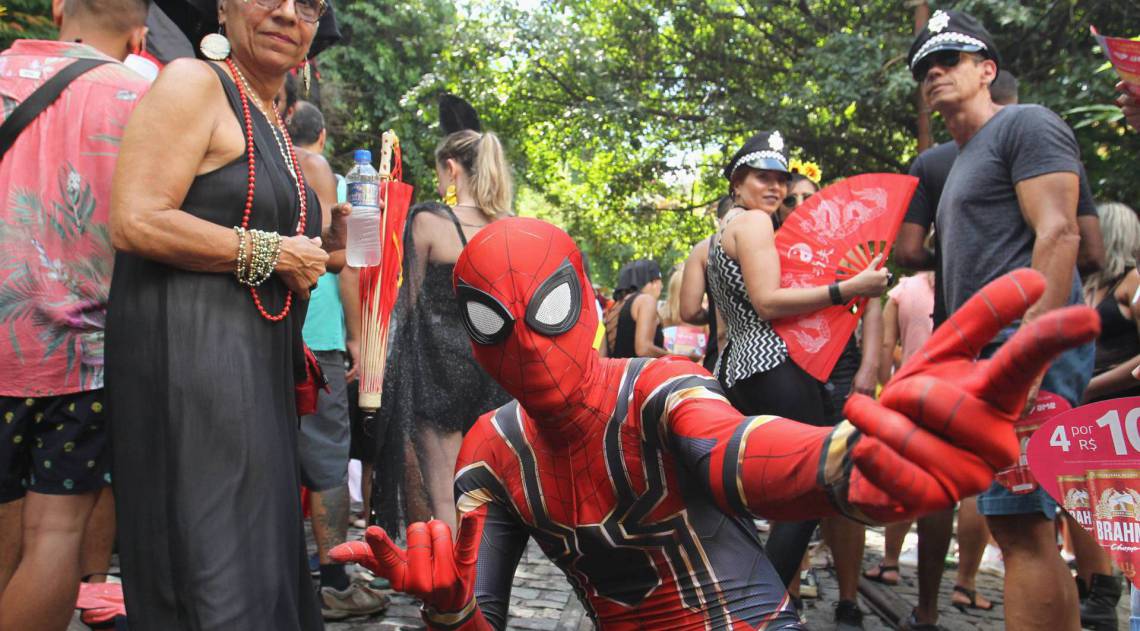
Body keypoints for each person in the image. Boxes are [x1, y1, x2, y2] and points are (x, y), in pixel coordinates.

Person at [330, 217, 1098, 631]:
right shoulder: (494, 451)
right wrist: (447, 608)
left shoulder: (660, 393)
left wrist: (849, 466)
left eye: (547, 309)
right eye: (496, 320)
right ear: (473, 336)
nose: (529, 341)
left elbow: (743, 451)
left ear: (586, 308)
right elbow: (476, 617)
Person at [106, 0, 344, 626]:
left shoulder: (266, 112)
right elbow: (136, 218)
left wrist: (324, 248)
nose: (290, 13)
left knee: (259, 570)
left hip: (255, 382)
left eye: (311, 5)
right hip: (193, 377)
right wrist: (274, 250)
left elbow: (256, 234)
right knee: (214, 575)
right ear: (223, 6)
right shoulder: (193, 82)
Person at [890, 63, 1103, 631]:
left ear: (987, 70)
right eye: (922, 68)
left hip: (1018, 350)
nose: (933, 72)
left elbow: (1062, 232)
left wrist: (1030, 347)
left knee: (1021, 528)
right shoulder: (961, 158)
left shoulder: (1025, 124)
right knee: (1021, 529)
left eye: (950, 59)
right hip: (989, 356)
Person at [0, 1, 150, 629]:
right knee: (55, 533)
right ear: (140, 31)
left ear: (59, 5)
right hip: (84, 357)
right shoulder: (143, 98)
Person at [707, 131, 889, 627]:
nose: (775, 186)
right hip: (773, 365)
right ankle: (755, 613)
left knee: (768, 497)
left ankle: (745, 604)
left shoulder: (723, 229)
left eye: (781, 178)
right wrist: (849, 287)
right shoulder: (756, 223)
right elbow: (767, 301)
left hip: (739, 369)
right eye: (762, 176)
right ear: (738, 181)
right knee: (809, 492)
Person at [373, 110, 513, 537]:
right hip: (491, 371)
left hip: (436, 372)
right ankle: (482, 587)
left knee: (443, 493)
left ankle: (451, 598)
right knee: (483, 493)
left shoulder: (430, 220)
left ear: (451, 168)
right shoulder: (508, 228)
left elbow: (405, 304)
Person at [287, 100, 388, 619]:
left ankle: (277, 570)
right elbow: (355, 264)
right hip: (320, 337)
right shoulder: (345, 186)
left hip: (266, 331)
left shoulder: (270, 165)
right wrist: (356, 336)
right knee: (327, 458)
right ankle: (333, 580)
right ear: (322, 136)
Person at [679, 195, 734, 373]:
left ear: (720, 221)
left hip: (720, 356)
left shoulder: (704, 249)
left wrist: (714, 315)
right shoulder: (773, 240)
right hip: (770, 356)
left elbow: (689, 311)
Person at [606, 259, 669, 359]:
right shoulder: (646, 300)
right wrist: (675, 357)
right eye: (660, 282)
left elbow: (605, 352)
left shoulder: (617, 305)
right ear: (654, 282)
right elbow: (643, 349)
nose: (661, 287)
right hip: (641, 372)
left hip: (617, 372)